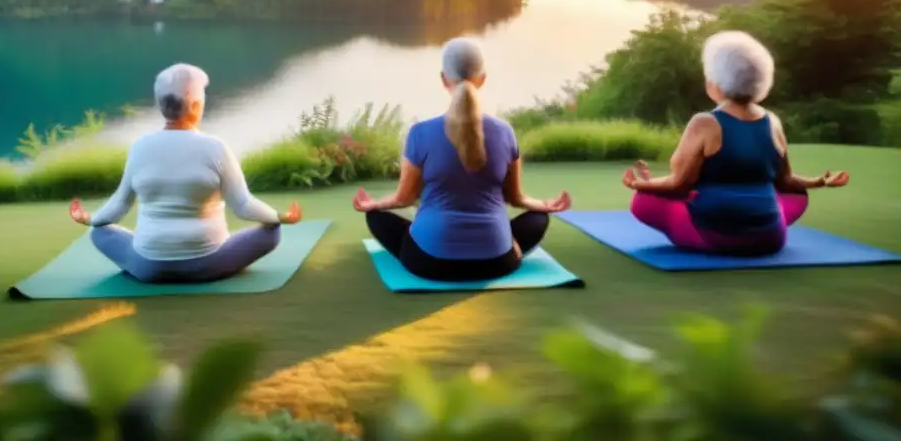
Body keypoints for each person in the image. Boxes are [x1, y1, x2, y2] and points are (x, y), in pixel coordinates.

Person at [353, 38, 571, 281]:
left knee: (376, 218)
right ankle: (510, 246)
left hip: (429, 263)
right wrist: (544, 205)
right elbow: (516, 198)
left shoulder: (419, 133)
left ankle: (428, 242)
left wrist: (373, 205)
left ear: (444, 79)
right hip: (498, 262)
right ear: (483, 79)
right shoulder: (505, 132)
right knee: (538, 218)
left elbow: (404, 198)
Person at [69, 63, 302, 283]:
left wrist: (91, 220)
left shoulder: (140, 147)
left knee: (98, 233)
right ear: (195, 106)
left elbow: (119, 204)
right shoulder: (215, 148)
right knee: (271, 233)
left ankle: (145, 264)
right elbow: (243, 205)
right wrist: (279, 217)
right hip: (209, 265)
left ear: (161, 106)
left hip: (149, 268)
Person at [623, 30, 849, 256]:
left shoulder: (704, 123)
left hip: (716, 237)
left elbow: (679, 185)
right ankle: (757, 227)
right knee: (796, 195)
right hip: (770, 239)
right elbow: (786, 181)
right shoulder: (773, 122)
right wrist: (820, 182)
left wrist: (641, 185)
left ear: (716, 84)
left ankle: (707, 233)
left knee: (645, 200)